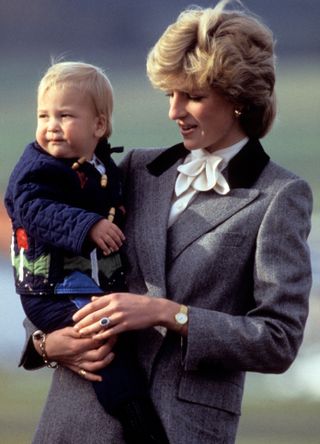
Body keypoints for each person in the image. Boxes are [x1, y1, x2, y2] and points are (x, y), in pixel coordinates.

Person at [18, 1, 312, 443]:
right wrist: (45, 343)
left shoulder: (280, 196)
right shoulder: (133, 169)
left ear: (237, 98)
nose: (174, 112)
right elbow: (48, 256)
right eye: (170, 94)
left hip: (181, 428)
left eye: (192, 96)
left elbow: (278, 340)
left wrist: (170, 314)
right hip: (76, 419)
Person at [4, 61, 169, 444]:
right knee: (103, 340)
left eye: (64, 115)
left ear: (98, 126)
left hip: (79, 281)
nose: (51, 125)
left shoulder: (98, 164)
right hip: (50, 287)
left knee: (112, 332)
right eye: (43, 115)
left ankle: (131, 402)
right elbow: (33, 209)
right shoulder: (36, 169)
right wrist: (87, 225)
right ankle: (134, 415)